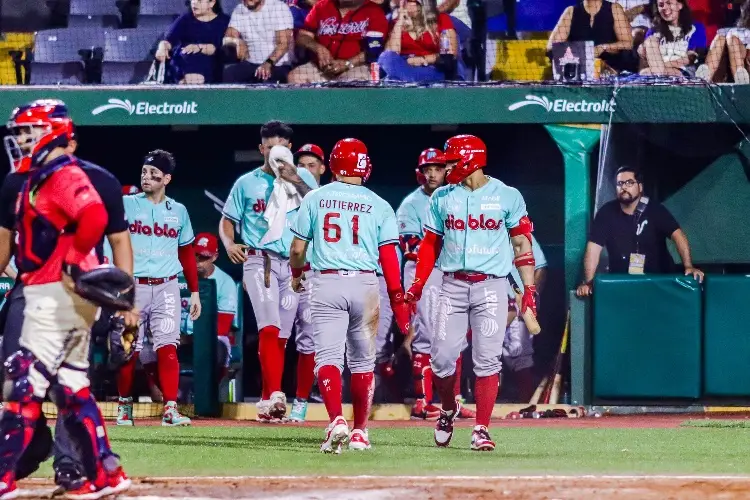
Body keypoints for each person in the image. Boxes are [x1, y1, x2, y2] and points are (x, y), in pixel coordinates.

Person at [0, 99, 130, 498]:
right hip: (49, 292)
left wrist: (76, 264)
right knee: (72, 389)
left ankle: (7, 473)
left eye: (28, 131)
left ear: (52, 133)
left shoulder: (62, 175)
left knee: (23, 384)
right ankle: (108, 472)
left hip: (57, 294)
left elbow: (94, 218)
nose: (21, 139)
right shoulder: (29, 177)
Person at [405, 134, 538, 452]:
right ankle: (448, 410)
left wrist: (528, 289)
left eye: (451, 161)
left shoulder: (506, 195)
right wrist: (419, 282)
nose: (446, 166)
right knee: (441, 360)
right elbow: (429, 244)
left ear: (469, 160)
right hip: (452, 283)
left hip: (491, 285)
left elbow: (521, 244)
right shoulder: (442, 197)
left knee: (487, 360)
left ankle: (481, 428)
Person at [289, 138, 410, 453]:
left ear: (333, 164)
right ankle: (360, 431)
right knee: (362, 363)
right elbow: (389, 260)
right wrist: (397, 299)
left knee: (328, 358)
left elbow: (298, 249)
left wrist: (295, 274)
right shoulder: (380, 204)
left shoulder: (316, 197)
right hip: (366, 284)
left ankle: (335, 420)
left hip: (327, 281)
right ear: (362, 165)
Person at [219, 121, 318, 423]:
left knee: (282, 337)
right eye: (269, 145)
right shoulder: (246, 182)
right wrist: (228, 242)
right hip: (259, 260)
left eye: (281, 145)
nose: (275, 150)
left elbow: (317, 210)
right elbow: (227, 221)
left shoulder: (304, 179)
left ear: (289, 147)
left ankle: (267, 400)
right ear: (261, 148)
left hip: (294, 265)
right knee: (269, 326)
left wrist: (295, 180)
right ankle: (275, 393)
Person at [115, 150, 201, 427]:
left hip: (167, 286)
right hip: (133, 287)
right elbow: (110, 239)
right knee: (129, 347)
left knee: (168, 347)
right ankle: (124, 407)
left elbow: (186, 253)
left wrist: (195, 291)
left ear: (167, 178)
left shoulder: (178, 211)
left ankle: (170, 409)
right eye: (144, 172)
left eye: (154, 174)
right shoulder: (126, 204)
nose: (147, 177)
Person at [397, 148, 473, 420]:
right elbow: (411, 246)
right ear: (420, 172)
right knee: (427, 336)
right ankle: (422, 402)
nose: (432, 173)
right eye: (427, 168)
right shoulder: (411, 204)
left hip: (449, 273)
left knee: (456, 338)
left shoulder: (456, 199)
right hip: (422, 273)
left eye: (438, 168)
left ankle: (453, 402)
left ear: (446, 170)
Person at [576, 166, 703, 297]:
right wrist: (589, 282)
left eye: (629, 182)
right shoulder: (606, 213)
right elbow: (593, 248)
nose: (624, 187)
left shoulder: (655, 210)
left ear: (640, 187)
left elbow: (678, 236)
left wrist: (688, 266)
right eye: (620, 183)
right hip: (623, 285)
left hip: (659, 283)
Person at [286, 144, 326, 422]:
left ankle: (302, 401)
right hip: (287, 270)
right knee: (278, 335)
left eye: (311, 165)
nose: (306, 170)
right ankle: (273, 399)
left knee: (311, 341)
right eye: (300, 165)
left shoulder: (329, 197)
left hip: (316, 274)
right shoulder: (281, 197)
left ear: (323, 168)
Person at [180, 233, 238, 383]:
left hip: (208, 340)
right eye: (196, 255)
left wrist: (189, 339)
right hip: (178, 337)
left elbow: (222, 326)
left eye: (204, 257)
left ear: (214, 257)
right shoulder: (178, 275)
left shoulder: (225, 282)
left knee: (221, 345)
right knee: (148, 350)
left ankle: (212, 397)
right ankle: (161, 398)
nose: (198, 262)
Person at [287, 0, 389, 83]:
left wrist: (348, 63)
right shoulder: (322, 6)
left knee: (358, 81)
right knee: (296, 76)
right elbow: (302, 36)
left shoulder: (374, 11)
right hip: (321, 67)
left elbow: (374, 50)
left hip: (355, 67)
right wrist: (318, 48)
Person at [502, 234, 547, 403]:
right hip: (490, 302)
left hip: (518, 301)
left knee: (518, 351)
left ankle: (524, 402)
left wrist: (531, 297)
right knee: (484, 353)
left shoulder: (520, 234)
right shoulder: (479, 234)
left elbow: (541, 268)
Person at [378, 0, 461, 82]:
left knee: (393, 78)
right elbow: (391, 53)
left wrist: (421, 59)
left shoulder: (441, 18)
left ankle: (400, 80)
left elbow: (450, 54)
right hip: (402, 64)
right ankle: (404, 80)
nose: (405, 3)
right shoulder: (395, 22)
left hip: (429, 67)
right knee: (385, 57)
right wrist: (400, 21)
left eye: (410, 1)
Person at [547, 0, 636, 74]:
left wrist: (603, 47)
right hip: (579, 68)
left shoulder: (614, 9)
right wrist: (584, 51)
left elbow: (629, 43)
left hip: (611, 68)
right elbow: (551, 46)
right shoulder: (571, 11)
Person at [155, 0, 231, 84]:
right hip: (183, 61)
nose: (194, 3)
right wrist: (162, 48)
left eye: (199, 0)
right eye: (193, 0)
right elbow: (168, 40)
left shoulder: (225, 22)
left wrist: (204, 48)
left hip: (210, 66)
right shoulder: (185, 19)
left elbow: (227, 52)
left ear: (212, 3)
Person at [222, 0, 294, 83]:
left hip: (277, 64)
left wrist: (268, 63)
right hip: (250, 63)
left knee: (266, 80)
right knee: (229, 73)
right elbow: (229, 36)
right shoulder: (239, 9)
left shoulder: (279, 7)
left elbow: (283, 44)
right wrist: (236, 41)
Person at [638, 0, 706, 76]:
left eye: (668, 3)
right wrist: (643, 54)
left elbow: (690, 59)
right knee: (650, 42)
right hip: (655, 72)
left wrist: (659, 66)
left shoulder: (696, 28)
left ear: (680, 5)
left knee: (646, 72)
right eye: (661, 5)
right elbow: (644, 63)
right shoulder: (653, 32)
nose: (664, 7)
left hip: (683, 72)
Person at [696, 0, 750, 83]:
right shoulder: (739, 28)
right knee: (722, 37)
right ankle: (704, 76)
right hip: (737, 47)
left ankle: (742, 80)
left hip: (746, 50)